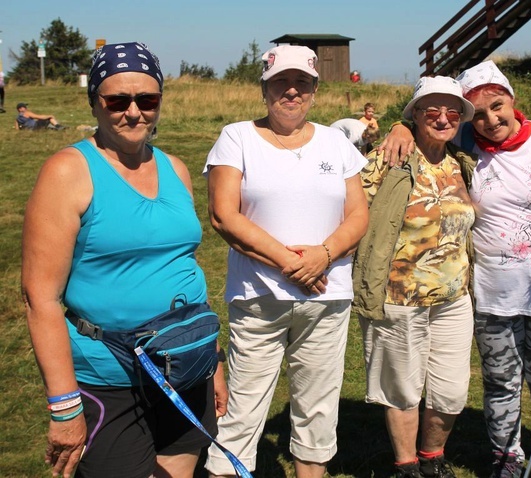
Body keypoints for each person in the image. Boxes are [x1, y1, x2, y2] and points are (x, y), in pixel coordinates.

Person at [21, 41, 227, 478]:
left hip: (185, 365)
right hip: (108, 375)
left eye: (147, 99)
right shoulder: (68, 171)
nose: (133, 112)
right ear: (95, 103)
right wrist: (63, 406)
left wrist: (214, 360)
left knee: (180, 470)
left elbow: (185, 265)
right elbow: (40, 297)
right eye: (117, 100)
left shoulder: (175, 168)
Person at [381, 61, 531, 478]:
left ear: (513, 101)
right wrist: (400, 126)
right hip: (491, 293)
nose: (491, 120)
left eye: (498, 107)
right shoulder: (464, 146)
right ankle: (507, 455)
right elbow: (427, 123)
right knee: (500, 382)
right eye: (478, 113)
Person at [203, 45, 369, 478]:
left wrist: (325, 255)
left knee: (317, 409)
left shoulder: (337, 141)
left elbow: (358, 214)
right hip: (259, 299)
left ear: (315, 90)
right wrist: (292, 263)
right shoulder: (236, 137)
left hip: (326, 300)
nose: (291, 92)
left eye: (302, 84)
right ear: (264, 87)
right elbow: (224, 214)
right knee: (243, 407)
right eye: (280, 82)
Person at [353, 75, 477, 478]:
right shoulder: (388, 159)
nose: (443, 118)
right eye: (432, 111)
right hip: (398, 294)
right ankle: (407, 465)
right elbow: (351, 212)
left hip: (454, 298)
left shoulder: (462, 163)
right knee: (402, 387)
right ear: (415, 115)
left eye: (452, 111)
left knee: (452, 388)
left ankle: (433, 456)